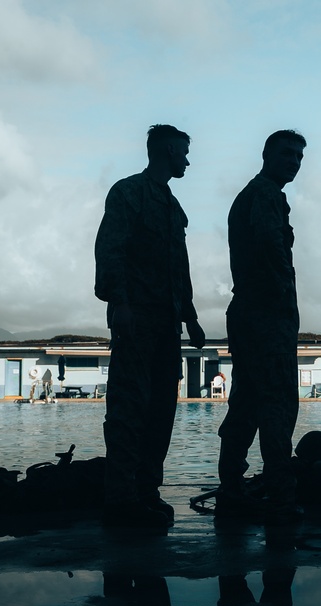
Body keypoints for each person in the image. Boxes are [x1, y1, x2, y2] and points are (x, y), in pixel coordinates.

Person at [94, 124, 206, 528]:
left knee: (162, 409)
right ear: (169, 150)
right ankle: (121, 498)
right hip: (137, 318)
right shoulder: (129, 192)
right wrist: (119, 302)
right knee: (129, 409)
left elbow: (180, 266)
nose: (188, 161)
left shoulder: (171, 206)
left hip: (166, 324)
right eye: (185, 153)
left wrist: (190, 316)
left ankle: (147, 492)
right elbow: (110, 248)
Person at [216, 129, 306, 521]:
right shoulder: (265, 195)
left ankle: (232, 488)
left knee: (247, 403)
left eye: (298, 156)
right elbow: (273, 257)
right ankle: (279, 494)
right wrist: (282, 312)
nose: (293, 161)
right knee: (277, 406)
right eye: (286, 153)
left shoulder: (255, 194)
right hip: (267, 317)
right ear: (266, 154)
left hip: (252, 315)